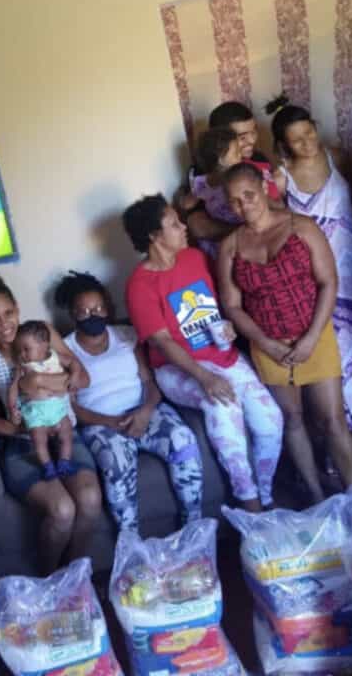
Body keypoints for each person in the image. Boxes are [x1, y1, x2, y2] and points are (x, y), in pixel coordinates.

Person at [123, 194, 283, 512]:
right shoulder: (139, 285)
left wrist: (229, 327)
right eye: (174, 224)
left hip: (222, 355)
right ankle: (249, 502)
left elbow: (218, 306)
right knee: (223, 408)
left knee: (271, 422)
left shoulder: (195, 258)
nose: (184, 227)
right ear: (154, 236)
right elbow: (163, 342)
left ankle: (266, 495)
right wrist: (205, 377)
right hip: (177, 368)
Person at [217, 163, 352, 503]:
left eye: (249, 195)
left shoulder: (301, 227)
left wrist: (311, 337)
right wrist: (265, 343)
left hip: (315, 335)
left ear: (264, 188)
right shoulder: (230, 247)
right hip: (268, 347)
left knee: (332, 419)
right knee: (292, 419)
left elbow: (328, 282)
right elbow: (232, 306)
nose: (244, 206)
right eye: (235, 201)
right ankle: (316, 495)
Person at [270, 99, 352, 446]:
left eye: (309, 133)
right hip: (318, 269)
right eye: (297, 140)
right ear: (284, 145)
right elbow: (278, 228)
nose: (307, 143)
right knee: (339, 347)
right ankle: (351, 425)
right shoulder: (281, 177)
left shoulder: (338, 158)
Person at [0, 270, 103, 574]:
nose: (5, 323)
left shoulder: (41, 333)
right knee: (62, 510)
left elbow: (82, 377)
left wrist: (42, 381)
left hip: (65, 432)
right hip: (25, 444)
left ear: (17, 309)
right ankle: (49, 580)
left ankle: (75, 576)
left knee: (90, 499)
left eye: (8, 313)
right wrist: (25, 429)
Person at [56, 270, 204, 533]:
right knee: (116, 463)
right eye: (84, 311)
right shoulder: (65, 351)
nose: (93, 315)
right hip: (101, 424)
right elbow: (71, 406)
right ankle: (131, 542)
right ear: (73, 314)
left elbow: (149, 382)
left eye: (98, 308)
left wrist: (145, 412)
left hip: (143, 411)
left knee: (183, 440)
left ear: (107, 308)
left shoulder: (126, 335)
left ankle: (193, 528)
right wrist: (110, 422)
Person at [176, 128, 281, 259]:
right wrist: (182, 201)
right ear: (221, 160)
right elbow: (187, 203)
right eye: (236, 153)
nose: (241, 155)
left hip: (240, 232)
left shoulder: (202, 183)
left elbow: (186, 203)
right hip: (222, 240)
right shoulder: (206, 183)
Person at [8, 320, 76, 479]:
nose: (22, 354)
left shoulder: (55, 357)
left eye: (26, 349)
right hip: (36, 413)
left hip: (58, 409)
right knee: (39, 441)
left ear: (44, 345)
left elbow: (73, 362)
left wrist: (75, 375)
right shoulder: (23, 367)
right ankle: (47, 466)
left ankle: (64, 462)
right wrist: (12, 408)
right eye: (19, 351)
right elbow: (13, 388)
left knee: (67, 434)